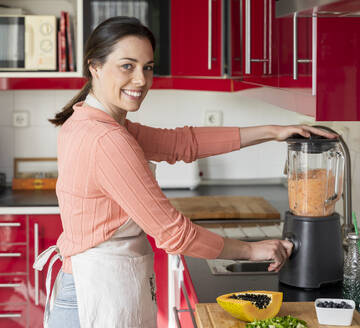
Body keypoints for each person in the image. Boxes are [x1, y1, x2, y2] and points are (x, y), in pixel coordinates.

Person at [34, 16, 336, 328]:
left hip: (94, 290)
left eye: (147, 67)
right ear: (95, 67)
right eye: (127, 66)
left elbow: (182, 143)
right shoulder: (106, 139)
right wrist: (251, 249)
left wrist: (274, 131)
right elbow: (173, 232)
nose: (141, 80)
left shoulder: (94, 122)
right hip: (94, 301)